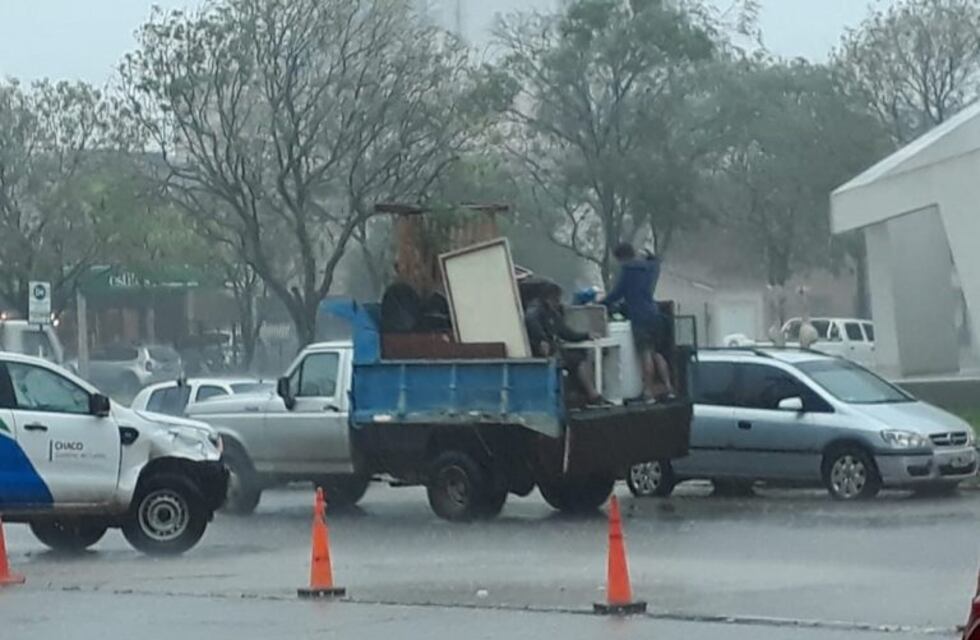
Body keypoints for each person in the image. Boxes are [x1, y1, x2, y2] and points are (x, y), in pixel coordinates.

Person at [601, 242, 675, 401]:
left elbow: (617, 293)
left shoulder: (628, 270)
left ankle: (648, 391)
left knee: (645, 354)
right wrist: (649, 255)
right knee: (657, 353)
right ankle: (668, 386)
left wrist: (600, 303)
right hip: (655, 313)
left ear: (620, 257)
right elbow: (656, 261)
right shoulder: (651, 268)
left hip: (639, 316)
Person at [524, 285, 608, 407]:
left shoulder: (553, 313)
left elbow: (566, 333)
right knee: (574, 360)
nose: (559, 303)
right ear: (548, 298)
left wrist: (586, 335)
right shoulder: (536, 310)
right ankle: (590, 394)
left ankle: (589, 394)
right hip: (540, 351)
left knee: (579, 357)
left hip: (554, 349)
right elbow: (531, 321)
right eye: (557, 299)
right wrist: (542, 339)